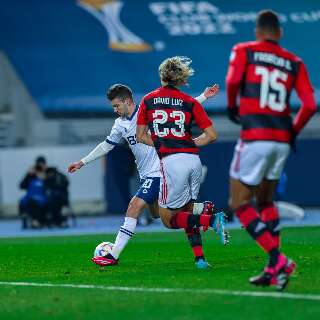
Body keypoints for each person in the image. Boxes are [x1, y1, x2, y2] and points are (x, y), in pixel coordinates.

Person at [68, 83, 221, 268]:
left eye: (117, 105)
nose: (115, 110)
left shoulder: (147, 110)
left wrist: (203, 96)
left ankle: (113, 254)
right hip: (147, 173)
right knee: (157, 214)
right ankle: (201, 210)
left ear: (127, 101)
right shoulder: (119, 124)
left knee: (134, 207)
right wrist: (82, 162)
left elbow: (179, 108)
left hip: (160, 169)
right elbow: (106, 146)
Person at [225, 10, 317, 290]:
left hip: (255, 136)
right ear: (280, 33)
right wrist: (292, 131)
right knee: (265, 202)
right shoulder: (294, 62)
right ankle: (271, 270)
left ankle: (278, 260)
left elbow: (231, 82)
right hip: (281, 140)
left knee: (239, 204)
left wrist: (232, 107)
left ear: (257, 31)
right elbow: (310, 105)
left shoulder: (245, 50)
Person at [136, 56, 229, 255]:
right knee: (187, 211)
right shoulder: (189, 101)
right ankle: (200, 259)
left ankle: (212, 219)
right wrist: (186, 143)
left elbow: (140, 136)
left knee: (168, 220)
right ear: (181, 79)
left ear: (162, 75)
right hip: (193, 161)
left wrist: (165, 144)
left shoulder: (148, 100)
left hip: (172, 162)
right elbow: (212, 136)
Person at [19, 156, 48, 228]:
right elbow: (21, 186)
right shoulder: (31, 175)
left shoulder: (48, 173)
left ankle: (36, 221)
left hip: (43, 198)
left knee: (33, 202)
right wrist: (28, 174)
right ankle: (34, 220)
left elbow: (51, 186)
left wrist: (45, 176)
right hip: (31, 198)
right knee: (24, 201)